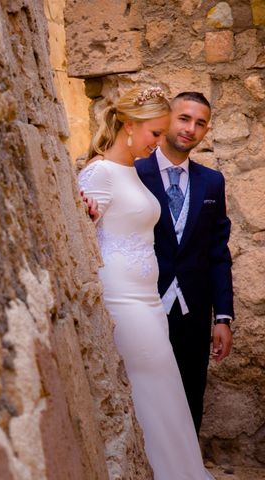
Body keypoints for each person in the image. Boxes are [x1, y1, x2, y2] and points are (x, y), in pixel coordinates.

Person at [78, 86, 213, 479]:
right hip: (121, 298)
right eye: (155, 133)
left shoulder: (131, 172)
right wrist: (84, 213)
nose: (158, 142)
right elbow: (84, 227)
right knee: (150, 391)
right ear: (129, 126)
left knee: (165, 390)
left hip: (148, 299)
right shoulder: (100, 171)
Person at [135, 92, 233, 435]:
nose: (191, 128)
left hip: (193, 307)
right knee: (142, 393)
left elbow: (218, 253)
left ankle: (185, 467)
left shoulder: (212, 182)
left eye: (200, 123)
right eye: (184, 118)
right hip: (144, 305)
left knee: (191, 393)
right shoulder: (134, 173)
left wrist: (223, 316)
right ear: (167, 119)